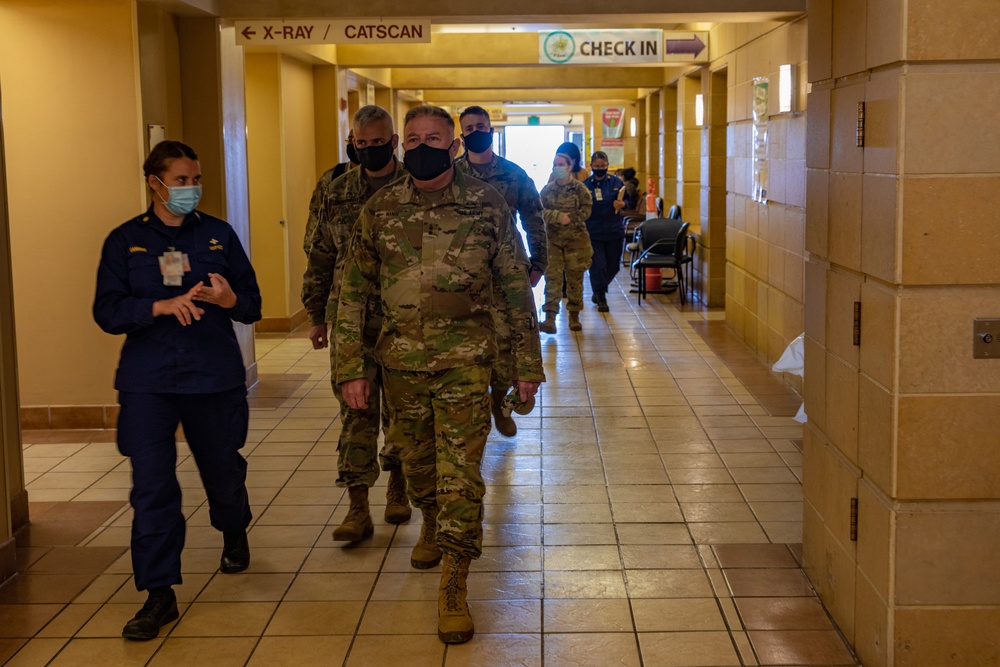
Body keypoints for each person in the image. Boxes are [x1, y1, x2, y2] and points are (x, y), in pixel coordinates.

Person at [335, 105, 544, 644]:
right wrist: (350, 369)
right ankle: (428, 515)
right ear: (402, 145)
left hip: (467, 363)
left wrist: (526, 365)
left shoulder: (488, 203)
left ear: (453, 147)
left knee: (460, 473)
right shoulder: (380, 209)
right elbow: (354, 295)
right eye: (413, 138)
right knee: (417, 463)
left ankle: (455, 579)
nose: (422, 146)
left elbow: (514, 287)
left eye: (434, 138)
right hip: (400, 365)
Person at [93, 140, 262, 641]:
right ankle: (159, 592)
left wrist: (230, 298)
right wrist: (157, 308)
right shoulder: (125, 241)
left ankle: (233, 527)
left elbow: (251, 303)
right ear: (155, 182)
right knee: (152, 487)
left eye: (195, 179)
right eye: (181, 180)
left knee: (221, 470)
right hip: (148, 381)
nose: (190, 188)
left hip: (212, 376)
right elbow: (107, 311)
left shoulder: (217, 235)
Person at [301, 105, 410, 542]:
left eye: (377, 143)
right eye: (360, 144)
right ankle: (357, 507)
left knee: (403, 415)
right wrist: (314, 314)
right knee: (356, 414)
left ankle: (398, 490)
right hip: (350, 321)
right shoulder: (337, 190)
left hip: (404, 323)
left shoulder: (415, 187)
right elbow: (320, 254)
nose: (368, 150)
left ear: (394, 142)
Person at [455, 105, 546, 438]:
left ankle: (499, 400)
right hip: (462, 274)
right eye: (469, 127)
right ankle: (474, 409)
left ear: (491, 130)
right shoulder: (451, 175)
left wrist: (539, 263)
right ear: (461, 134)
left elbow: (534, 219)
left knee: (507, 341)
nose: (476, 131)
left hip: (506, 270)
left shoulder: (515, 174)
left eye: (482, 125)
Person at [538, 150, 593, 334]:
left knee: (574, 280)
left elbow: (587, 210)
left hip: (575, 242)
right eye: (555, 164)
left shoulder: (580, 189)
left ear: (569, 167)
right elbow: (539, 212)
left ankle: (574, 317)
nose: (557, 168)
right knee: (552, 279)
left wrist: (573, 218)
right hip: (553, 241)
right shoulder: (547, 190)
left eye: (561, 164)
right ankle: (550, 319)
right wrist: (558, 216)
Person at [583, 151, 627, 312]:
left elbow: (627, 200)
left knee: (613, 266)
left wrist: (622, 205)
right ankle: (600, 296)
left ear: (607, 165)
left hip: (614, 230)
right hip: (593, 232)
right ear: (591, 166)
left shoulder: (616, 182)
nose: (600, 168)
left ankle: (599, 289)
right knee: (598, 265)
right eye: (596, 166)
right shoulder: (585, 185)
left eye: (603, 166)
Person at [303, 130, 359, 254]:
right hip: (339, 264)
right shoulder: (333, 177)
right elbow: (316, 216)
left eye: (359, 141)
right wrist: (312, 251)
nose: (353, 144)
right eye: (350, 140)